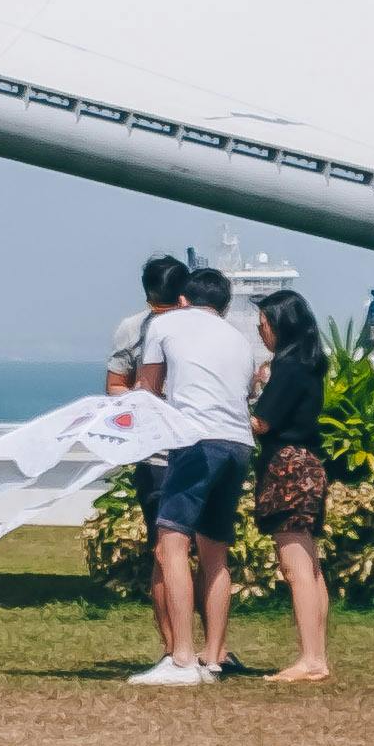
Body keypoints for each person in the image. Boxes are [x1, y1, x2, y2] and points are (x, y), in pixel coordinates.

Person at [126, 254, 263, 687]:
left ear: (183, 299)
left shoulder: (164, 324)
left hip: (195, 439)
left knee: (170, 543)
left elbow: (147, 387)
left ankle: (182, 658)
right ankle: (213, 658)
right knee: (215, 551)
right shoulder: (240, 339)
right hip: (238, 443)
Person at [246, 285, 338, 684]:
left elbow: (262, 422)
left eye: (263, 324)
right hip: (309, 465)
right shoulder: (308, 365)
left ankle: (311, 658)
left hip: (286, 467)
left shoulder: (289, 367)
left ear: (281, 326)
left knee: (295, 566)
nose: (260, 332)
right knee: (311, 566)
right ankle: (316, 654)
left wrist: (241, 401)